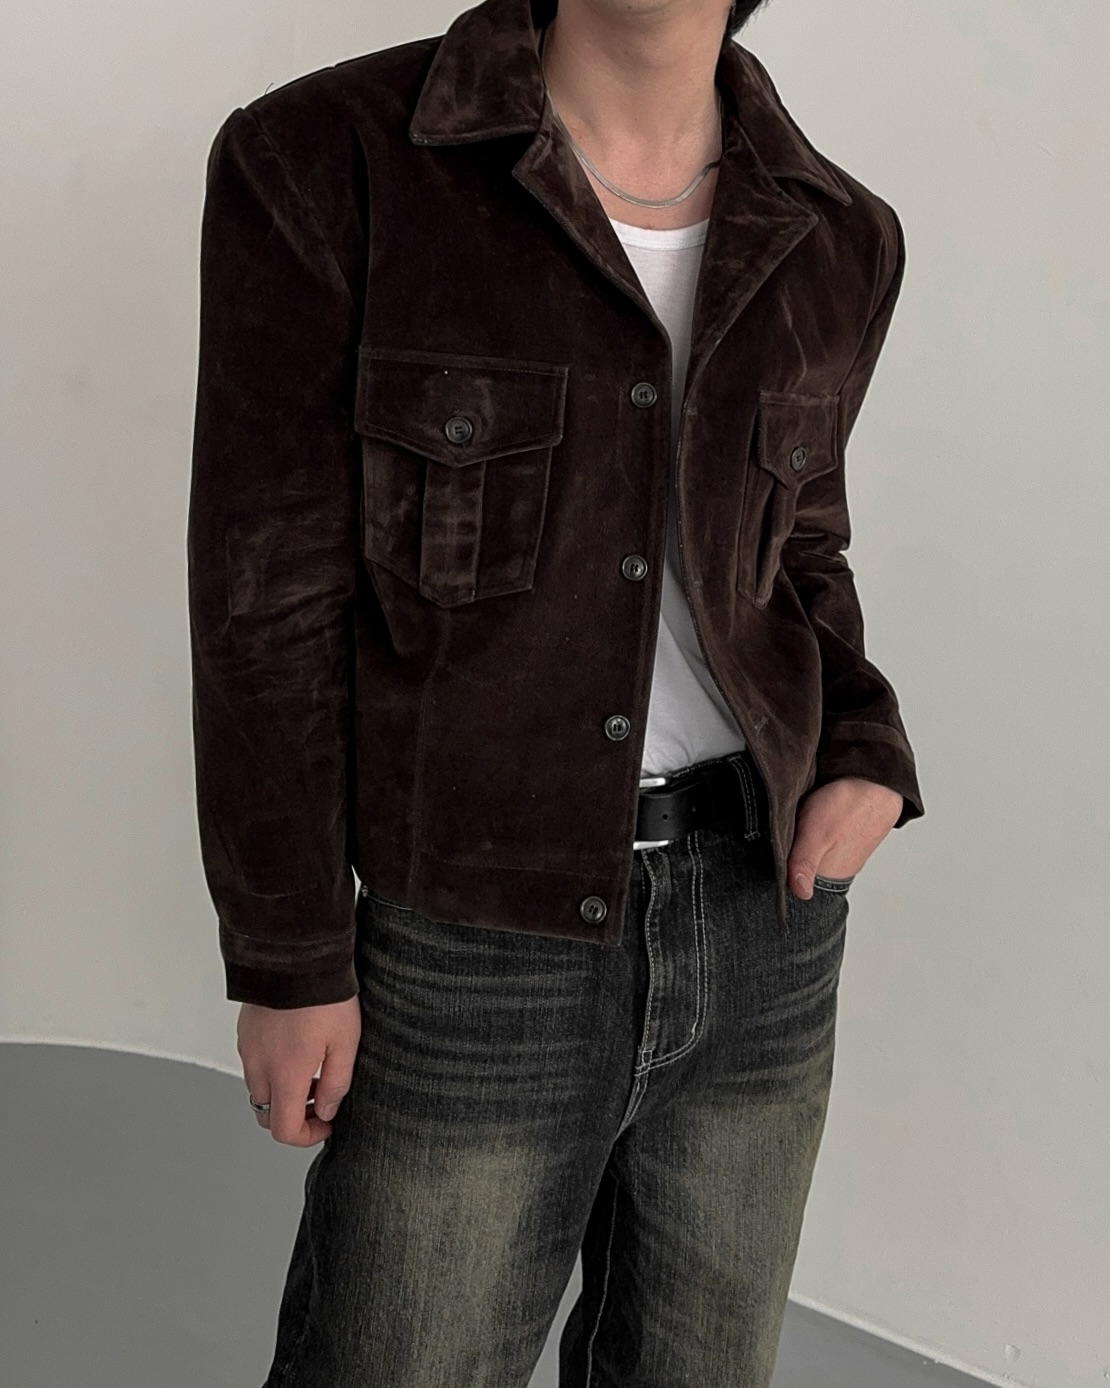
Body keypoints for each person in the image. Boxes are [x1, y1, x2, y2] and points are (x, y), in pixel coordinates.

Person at [186, 0, 924, 1382]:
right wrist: (287, 957)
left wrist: (865, 747)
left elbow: (799, 552)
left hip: (764, 917)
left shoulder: (838, 231)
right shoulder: (330, 161)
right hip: (473, 936)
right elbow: (263, 598)